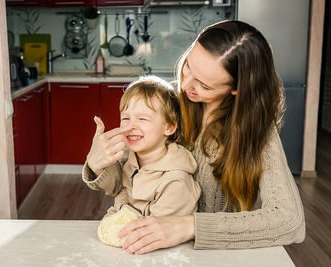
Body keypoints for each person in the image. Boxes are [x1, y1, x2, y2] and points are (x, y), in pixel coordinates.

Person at [83, 20, 305, 254]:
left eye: (203, 85)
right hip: (147, 250)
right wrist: (97, 164)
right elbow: (125, 177)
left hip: (216, 255)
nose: (185, 85)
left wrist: (189, 226)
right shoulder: (167, 102)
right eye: (188, 66)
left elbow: (290, 221)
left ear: (237, 88)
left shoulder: (257, 130)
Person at [83, 75, 201, 218]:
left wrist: (119, 211)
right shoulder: (130, 157)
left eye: (143, 119)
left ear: (169, 127)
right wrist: (96, 165)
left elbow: (157, 232)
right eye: (126, 118)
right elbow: (116, 185)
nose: (131, 126)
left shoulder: (176, 183)